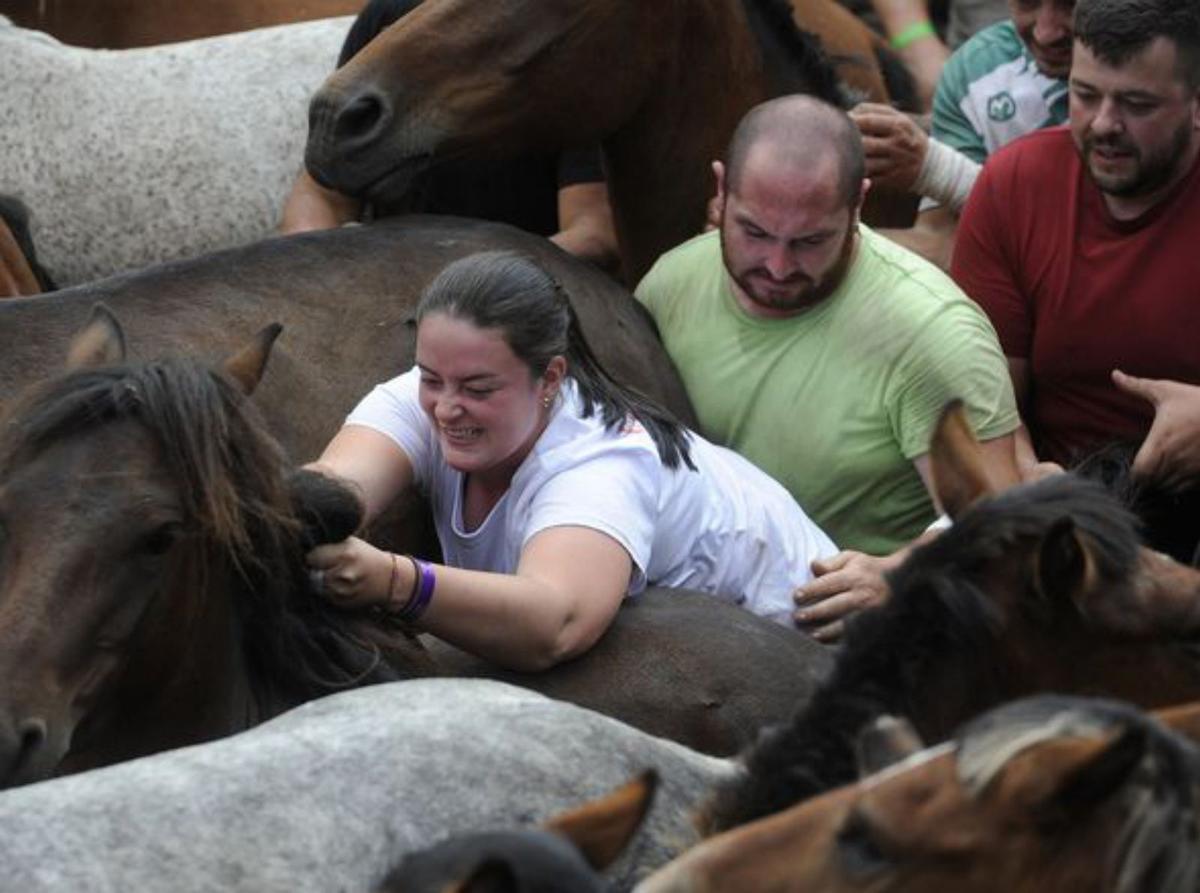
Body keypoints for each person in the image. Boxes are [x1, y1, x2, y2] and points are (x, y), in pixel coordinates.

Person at [304, 251, 838, 671]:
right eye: (430, 378)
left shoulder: (599, 464)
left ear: (552, 379)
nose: (445, 408)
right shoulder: (429, 398)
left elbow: (554, 623)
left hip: (807, 647)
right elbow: (333, 489)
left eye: (477, 387)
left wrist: (394, 581)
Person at [635, 95, 1019, 641]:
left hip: (849, 640)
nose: (777, 265)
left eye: (810, 241)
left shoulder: (931, 330)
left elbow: (997, 522)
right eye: (754, 232)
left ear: (860, 203)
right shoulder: (668, 285)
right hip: (696, 615)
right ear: (720, 190)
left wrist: (897, 574)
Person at [951, 0, 1200, 471]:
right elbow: (984, 406)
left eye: (1137, 104)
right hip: (1060, 502)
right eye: (1084, 95)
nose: (1104, 123)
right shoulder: (1015, 186)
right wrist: (1022, 475)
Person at [279, 0, 619, 274]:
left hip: (514, 300)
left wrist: (459, 283)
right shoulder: (389, 15)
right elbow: (322, 193)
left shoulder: (560, 39)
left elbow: (593, 232)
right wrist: (311, 269)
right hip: (390, 290)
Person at [851, 0, 1073, 268]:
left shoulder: (1135, 73)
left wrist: (935, 168)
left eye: (1071, 5)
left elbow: (1092, 235)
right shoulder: (975, 70)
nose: (1045, 32)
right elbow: (944, 244)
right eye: (1028, 2)